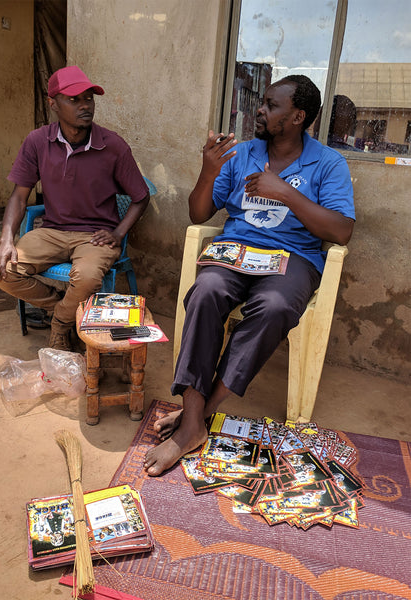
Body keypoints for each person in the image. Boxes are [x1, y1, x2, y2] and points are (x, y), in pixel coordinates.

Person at [144, 75, 355, 477]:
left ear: (297, 116)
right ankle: (192, 421)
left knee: (274, 307)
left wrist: (287, 193)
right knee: (205, 290)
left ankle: (199, 416)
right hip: (236, 250)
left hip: (292, 259)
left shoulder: (328, 163)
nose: (260, 109)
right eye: (263, 102)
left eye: (271, 105)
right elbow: (199, 214)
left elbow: (341, 231)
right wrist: (208, 171)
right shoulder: (242, 154)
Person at [0, 65, 150, 350]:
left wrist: (119, 232)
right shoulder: (37, 141)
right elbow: (18, 195)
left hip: (95, 236)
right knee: (3, 270)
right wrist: (5, 241)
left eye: (89, 98)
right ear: (53, 104)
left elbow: (141, 196)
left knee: (86, 278)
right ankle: (65, 311)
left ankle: (61, 325)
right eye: (74, 100)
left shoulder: (113, 145)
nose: (85, 105)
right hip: (51, 231)